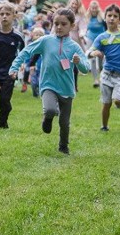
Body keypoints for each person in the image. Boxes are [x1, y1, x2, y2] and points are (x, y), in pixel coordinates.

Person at [9, 8, 89, 154]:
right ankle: (47, 118)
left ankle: (63, 146)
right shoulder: (46, 41)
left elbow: (86, 68)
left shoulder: (74, 47)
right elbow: (27, 51)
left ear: (72, 26)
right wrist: (14, 67)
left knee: (64, 123)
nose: (59, 27)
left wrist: (79, 62)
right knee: (51, 109)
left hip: (67, 89)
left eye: (63, 24)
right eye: (56, 23)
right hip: (48, 85)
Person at [86, 4, 120, 132]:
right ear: (105, 18)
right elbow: (89, 51)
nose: (112, 18)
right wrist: (93, 53)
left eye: (115, 16)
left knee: (118, 101)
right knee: (106, 103)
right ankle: (104, 126)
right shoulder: (101, 38)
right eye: (109, 16)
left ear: (119, 19)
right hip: (107, 74)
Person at [84, 0, 105, 87]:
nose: (94, 9)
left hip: (100, 39)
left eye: (95, 8)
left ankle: (101, 77)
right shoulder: (87, 17)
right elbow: (84, 28)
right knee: (92, 59)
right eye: (92, 8)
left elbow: (107, 27)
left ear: (98, 8)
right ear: (90, 8)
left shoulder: (102, 17)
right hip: (90, 39)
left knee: (100, 59)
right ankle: (95, 80)